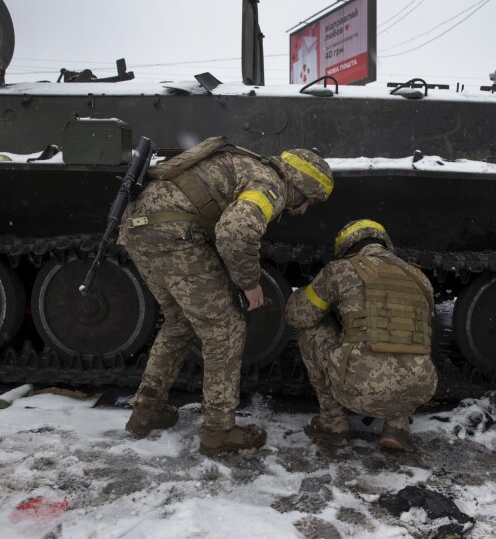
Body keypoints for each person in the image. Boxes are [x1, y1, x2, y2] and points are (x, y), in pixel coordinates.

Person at [117, 137, 333, 455]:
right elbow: (235, 233)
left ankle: (146, 409)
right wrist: (249, 283)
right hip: (176, 235)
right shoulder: (270, 184)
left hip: (139, 228)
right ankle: (219, 431)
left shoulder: (249, 164)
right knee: (225, 330)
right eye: (309, 200)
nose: (303, 209)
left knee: (179, 323)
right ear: (300, 186)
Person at [285, 220, 438, 452]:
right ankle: (398, 426)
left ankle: (333, 423)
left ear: (346, 248)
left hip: (358, 390)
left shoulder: (341, 270)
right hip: (420, 389)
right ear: (384, 243)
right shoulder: (420, 278)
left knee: (311, 328)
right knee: (407, 337)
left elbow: (298, 316)